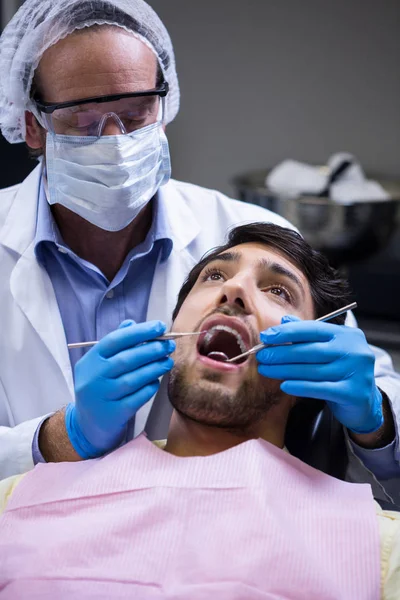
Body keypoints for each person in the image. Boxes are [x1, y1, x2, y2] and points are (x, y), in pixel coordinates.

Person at [0, 0, 399, 504]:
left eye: (136, 111)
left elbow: (370, 410)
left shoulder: (245, 233)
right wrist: (59, 437)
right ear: (32, 125)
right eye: (83, 118)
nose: (117, 139)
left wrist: (377, 418)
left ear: (164, 109)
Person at [0, 223, 399, 600]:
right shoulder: (14, 504)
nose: (235, 289)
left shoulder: (379, 551)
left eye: (278, 291)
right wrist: (68, 433)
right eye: (213, 277)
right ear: (174, 330)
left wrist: (376, 420)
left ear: (313, 362)